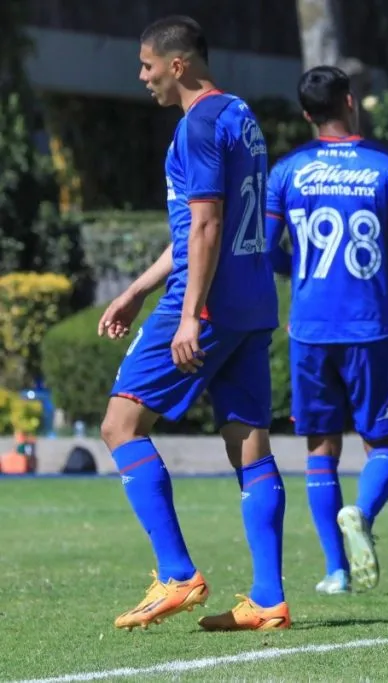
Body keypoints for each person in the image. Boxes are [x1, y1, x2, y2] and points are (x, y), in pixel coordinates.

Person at [99, 16, 288, 631]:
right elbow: (195, 229)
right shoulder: (240, 115)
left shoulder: (198, 124)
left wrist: (187, 316)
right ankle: (267, 598)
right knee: (247, 438)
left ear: (177, 65)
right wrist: (134, 291)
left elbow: (206, 227)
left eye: (147, 65)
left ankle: (177, 573)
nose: (143, 76)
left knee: (121, 422)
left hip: (208, 303)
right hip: (254, 302)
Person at [265, 66, 388, 595]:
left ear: (306, 114)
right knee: (383, 442)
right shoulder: (384, 165)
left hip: (310, 328)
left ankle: (336, 571)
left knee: (321, 449)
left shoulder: (287, 171)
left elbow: (267, 249)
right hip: (369, 326)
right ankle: (361, 512)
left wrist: (304, 273)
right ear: (350, 102)